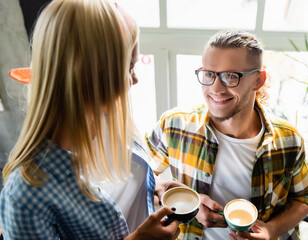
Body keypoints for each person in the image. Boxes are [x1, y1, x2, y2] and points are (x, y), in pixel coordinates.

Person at [0, 0, 180, 239]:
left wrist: (150, 187)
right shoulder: (25, 198)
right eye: (129, 68)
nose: (135, 79)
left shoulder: (107, 120)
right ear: (91, 77)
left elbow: (121, 185)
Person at [145, 30, 308, 240]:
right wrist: (190, 203)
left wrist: (272, 230)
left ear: (258, 80)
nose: (215, 88)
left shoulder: (289, 140)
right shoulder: (173, 125)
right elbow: (140, 179)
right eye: (208, 74)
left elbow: (303, 198)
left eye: (230, 76)